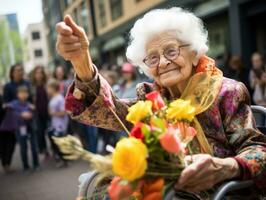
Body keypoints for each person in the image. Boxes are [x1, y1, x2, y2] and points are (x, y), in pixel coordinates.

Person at [56, 8, 266, 198]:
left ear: (194, 53)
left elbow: (257, 150)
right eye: (153, 58)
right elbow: (109, 111)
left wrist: (225, 166)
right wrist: (81, 61)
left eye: (171, 51)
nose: (163, 62)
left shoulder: (226, 93)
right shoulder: (150, 99)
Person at [1, 64, 31, 172]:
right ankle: (6, 164)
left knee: (20, 142)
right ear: (12, 73)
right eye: (18, 70)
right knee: (9, 142)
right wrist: (19, 111)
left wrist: (30, 110)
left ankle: (28, 164)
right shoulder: (8, 86)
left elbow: (31, 99)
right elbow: (5, 104)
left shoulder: (27, 83)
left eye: (21, 70)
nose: (20, 72)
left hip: (28, 119)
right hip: (12, 120)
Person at [8, 86, 39, 171]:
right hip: (20, 128)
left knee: (34, 146)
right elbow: (10, 112)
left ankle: (36, 164)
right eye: (21, 93)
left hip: (31, 127)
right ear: (17, 94)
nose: (23, 95)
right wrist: (21, 115)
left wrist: (32, 113)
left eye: (25, 93)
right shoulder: (14, 103)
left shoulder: (29, 104)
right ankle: (25, 166)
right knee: (23, 147)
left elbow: (35, 113)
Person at [47, 79, 68, 168]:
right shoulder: (52, 98)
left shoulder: (60, 98)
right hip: (54, 125)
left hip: (60, 126)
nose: (47, 90)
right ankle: (59, 158)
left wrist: (53, 113)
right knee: (54, 142)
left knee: (59, 143)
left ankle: (64, 160)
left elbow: (64, 112)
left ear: (53, 88)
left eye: (48, 88)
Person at [30, 66, 50, 158]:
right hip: (37, 114)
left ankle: (55, 151)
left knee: (51, 132)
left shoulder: (47, 84)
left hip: (48, 112)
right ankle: (45, 151)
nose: (39, 75)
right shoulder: (32, 87)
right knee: (40, 133)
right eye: (37, 73)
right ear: (34, 74)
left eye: (40, 73)